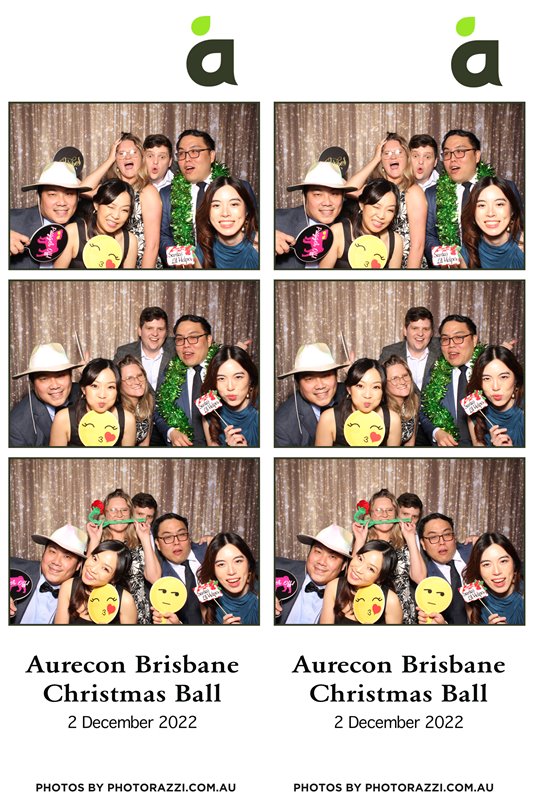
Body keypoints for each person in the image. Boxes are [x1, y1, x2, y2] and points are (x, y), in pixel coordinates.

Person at [425, 129, 523, 267]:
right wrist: (445, 261)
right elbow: (429, 236)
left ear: (477, 156)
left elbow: (519, 226)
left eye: (460, 151)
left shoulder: (504, 188)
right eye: (447, 153)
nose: (452, 159)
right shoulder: (432, 194)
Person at [159, 129, 256, 264]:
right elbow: (163, 236)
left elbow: (255, 226)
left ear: (211, 156)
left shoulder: (239, 188)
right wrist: (183, 260)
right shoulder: (166, 194)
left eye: (194, 151)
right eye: (181, 153)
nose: (187, 159)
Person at [348, 134, 427, 268]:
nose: (393, 157)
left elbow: (418, 245)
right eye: (387, 153)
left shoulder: (413, 191)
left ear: (407, 158)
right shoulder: (377, 189)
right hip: (377, 261)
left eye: (399, 152)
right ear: (382, 161)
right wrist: (375, 160)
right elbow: (349, 190)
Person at [84, 133, 162, 267]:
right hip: (112, 260)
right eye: (121, 153)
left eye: (133, 152)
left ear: (141, 157)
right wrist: (109, 160)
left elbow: (152, 245)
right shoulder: (111, 190)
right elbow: (84, 190)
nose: (128, 157)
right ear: (116, 161)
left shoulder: (148, 192)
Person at [86, 488, 160, 624]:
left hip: (139, 614)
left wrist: (145, 538)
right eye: (113, 510)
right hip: (105, 612)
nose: (119, 515)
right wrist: (94, 539)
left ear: (130, 513)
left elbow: (155, 578)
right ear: (105, 514)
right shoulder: (99, 542)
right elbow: (86, 578)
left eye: (124, 510)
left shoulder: (139, 542)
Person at [353, 489, 426, 624]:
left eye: (389, 510)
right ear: (370, 514)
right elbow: (353, 577)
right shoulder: (364, 542)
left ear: (396, 513)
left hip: (403, 614)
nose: (385, 515)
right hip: (369, 611)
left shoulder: (405, 542)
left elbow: (420, 578)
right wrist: (359, 540)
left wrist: (410, 538)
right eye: (378, 510)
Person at [10, 161, 91, 269]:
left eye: (69, 194)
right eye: (52, 194)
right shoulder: (11, 222)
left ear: (78, 198)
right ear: (39, 196)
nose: (62, 202)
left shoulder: (84, 230)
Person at [275, 162, 355, 269]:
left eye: (334, 194)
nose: (327, 202)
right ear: (304, 196)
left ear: (343, 197)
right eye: (318, 194)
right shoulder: (275, 222)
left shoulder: (349, 229)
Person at [154, 314, 216, 447]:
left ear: (209, 340)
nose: (186, 345)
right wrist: (171, 432)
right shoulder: (170, 372)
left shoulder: (224, 369)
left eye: (193, 338)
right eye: (180, 339)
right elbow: (158, 410)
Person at [419, 314, 481, 447]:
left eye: (459, 338)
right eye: (445, 339)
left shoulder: (489, 369)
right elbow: (423, 410)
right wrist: (436, 432)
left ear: (474, 340)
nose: (451, 345)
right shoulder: (435, 371)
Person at [10, 524, 87, 624]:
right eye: (52, 551)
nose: (56, 562)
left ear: (78, 566)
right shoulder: (12, 568)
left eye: (67, 556)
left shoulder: (79, 597)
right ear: (44, 552)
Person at [275, 524, 353, 624]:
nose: (321, 562)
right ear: (309, 552)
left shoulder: (344, 596)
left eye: (332, 557)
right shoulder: (280, 568)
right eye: (318, 552)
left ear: (343, 566)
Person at [275, 342, 349, 447]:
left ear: (336, 376)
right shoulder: (282, 425)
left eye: (326, 375)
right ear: (297, 382)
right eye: (309, 378)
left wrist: (357, 378)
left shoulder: (350, 394)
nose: (320, 385)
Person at [49, 358, 136, 447]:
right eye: (94, 386)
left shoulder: (128, 420)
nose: (102, 395)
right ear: (83, 389)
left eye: (110, 387)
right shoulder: (63, 419)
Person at [315, 358, 401, 447]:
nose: (367, 395)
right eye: (360, 386)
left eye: (376, 387)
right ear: (349, 389)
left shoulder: (393, 420)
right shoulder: (329, 419)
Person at [10, 343, 83, 447]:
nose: (55, 385)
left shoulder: (85, 394)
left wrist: (91, 377)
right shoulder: (17, 427)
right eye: (44, 378)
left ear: (71, 375)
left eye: (60, 375)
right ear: (32, 383)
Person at [319, 178, 403, 268]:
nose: (381, 216)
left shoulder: (395, 241)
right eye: (376, 207)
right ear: (362, 204)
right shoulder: (337, 233)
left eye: (390, 210)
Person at [53, 179, 137, 268]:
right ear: (96, 204)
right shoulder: (72, 232)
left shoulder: (130, 241)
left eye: (124, 210)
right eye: (111, 207)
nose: (116, 216)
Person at [320, 540, 402, 624]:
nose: (358, 569)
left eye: (371, 569)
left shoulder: (390, 601)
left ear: (380, 578)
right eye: (360, 558)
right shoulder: (333, 587)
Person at [54, 541, 137, 624]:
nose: (93, 569)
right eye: (95, 559)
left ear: (114, 578)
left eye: (105, 569)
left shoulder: (125, 601)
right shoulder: (68, 587)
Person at [151, 513, 207, 624]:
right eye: (168, 537)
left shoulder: (210, 552)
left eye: (181, 535)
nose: (176, 542)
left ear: (189, 537)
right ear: (157, 544)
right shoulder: (158, 576)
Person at [417, 512, 471, 624]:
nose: (442, 542)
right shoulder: (424, 576)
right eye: (433, 537)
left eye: (447, 534)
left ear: (454, 537)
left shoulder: (475, 552)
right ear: (423, 544)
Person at [460, 176, 524, 269]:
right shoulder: (467, 251)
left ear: (512, 210)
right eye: (482, 205)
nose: (490, 213)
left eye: (499, 204)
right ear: (473, 212)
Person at [465, 345, 524, 447]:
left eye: (503, 377)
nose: (495, 387)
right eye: (487, 379)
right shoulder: (476, 415)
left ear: (516, 379)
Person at [200, 345, 259, 447]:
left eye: (238, 377)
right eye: (221, 379)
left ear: (250, 379)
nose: (230, 387)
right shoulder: (211, 413)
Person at [194, 177, 258, 268]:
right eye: (216, 205)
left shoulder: (265, 245)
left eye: (234, 204)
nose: (225, 213)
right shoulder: (202, 251)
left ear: (246, 210)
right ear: (208, 212)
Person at [196, 533, 258, 624]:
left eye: (238, 561)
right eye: (221, 564)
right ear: (213, 569)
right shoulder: (209, 600)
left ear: (248, 563)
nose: (231, 571)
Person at [462, 532, 524, 625]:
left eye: (503, 561)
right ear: (478, 569)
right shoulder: (474, 599)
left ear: (514, 563)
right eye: (486, 564)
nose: (496, 571)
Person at [379, 306, 441, 394]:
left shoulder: (442, 349)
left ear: (431, 333)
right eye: (415, 328)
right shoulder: (389, 353)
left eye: (425, 329)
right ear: (405, 331)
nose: (420, 334)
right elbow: (378, 383)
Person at [117, 355, 154, 446]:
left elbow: (144, 443)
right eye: (129, 378)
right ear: (119, 384)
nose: (137, 382)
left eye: (140, 375)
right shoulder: (119, 413)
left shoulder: (148, 401)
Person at [383, 356, 418, 446]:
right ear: (385, 384)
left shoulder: (414, 400)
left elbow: (410, 443)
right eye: (395, 378)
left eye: (405, 375)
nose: (402, 381)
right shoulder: (384, 413)